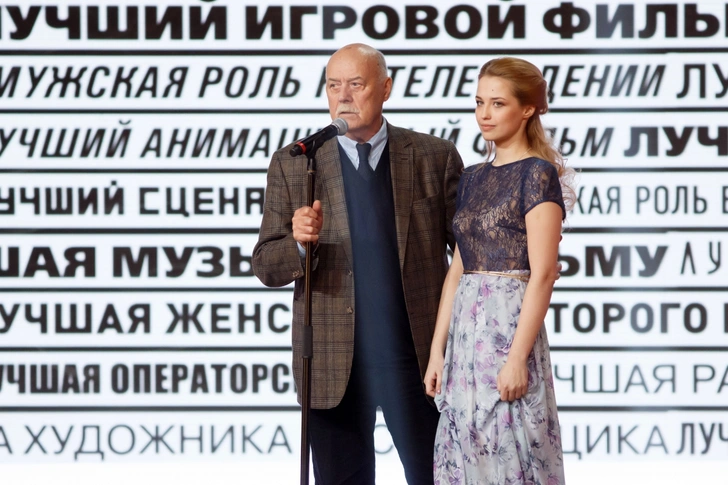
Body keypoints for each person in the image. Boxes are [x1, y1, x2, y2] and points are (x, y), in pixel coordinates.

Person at [252, 43, 464, 484]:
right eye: (333, 86)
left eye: (355, 84)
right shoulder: (296, 163)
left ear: (385, 88)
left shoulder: (434, 156)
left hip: (417, 357)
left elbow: (468, 253)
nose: (343, 96)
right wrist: (298, 244)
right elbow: (266, 265)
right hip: (332, 360)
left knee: (437, 477)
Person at [424, 57, 574, 484]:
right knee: (464, 451)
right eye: (479, 103)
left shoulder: (537, 175)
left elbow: (542, 275)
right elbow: (458, 269)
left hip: (508, 333)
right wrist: (437, 351)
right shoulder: (471, 177)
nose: (484, 114)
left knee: (512, 449)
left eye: (497, 103)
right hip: (465, 342)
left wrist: (517, 359)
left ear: (527, 109)